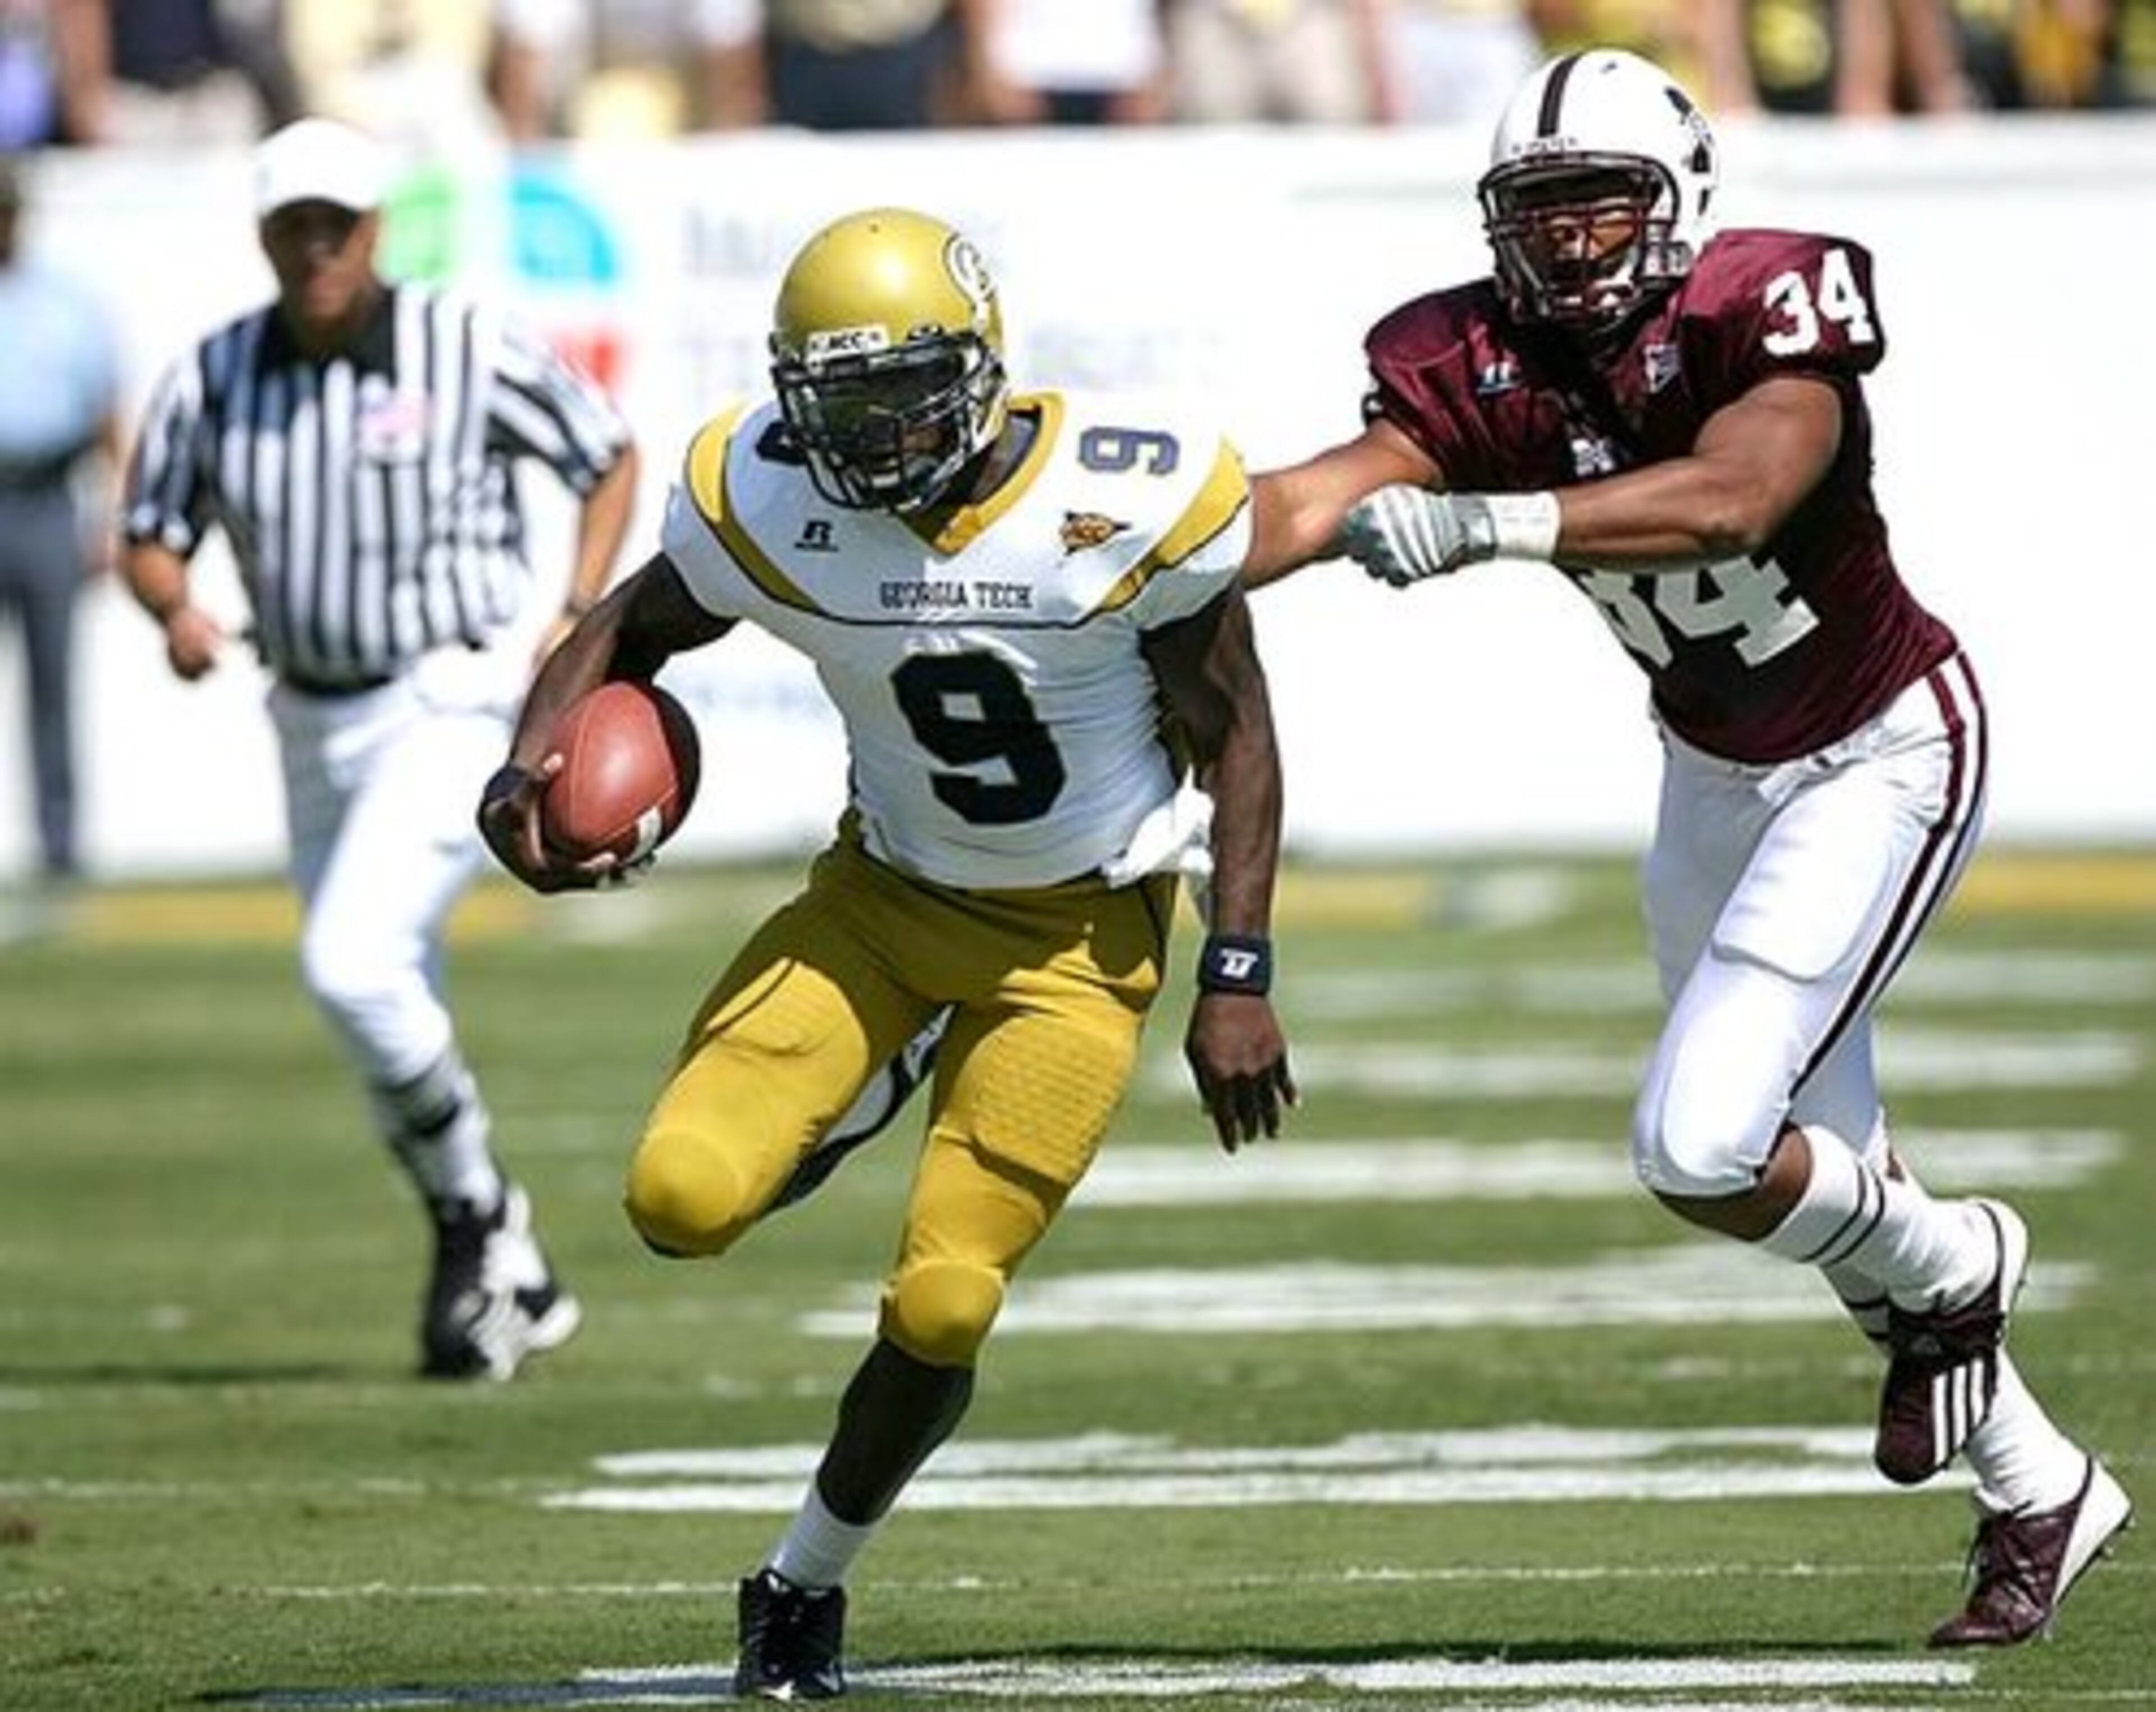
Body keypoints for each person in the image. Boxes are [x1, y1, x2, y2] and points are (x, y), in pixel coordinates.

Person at [1242, 46, 2131, 1649]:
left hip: (1880, 749)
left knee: (1704, 1144)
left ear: (1684, 199)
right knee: (1833, 1187)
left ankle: (1973, 1255)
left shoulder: (1763, 305)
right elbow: (1315, 500)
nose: (1574, 245)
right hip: (1710, 778)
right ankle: (2039, 1481)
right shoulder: (1465, 354)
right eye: (1543, 213)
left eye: (1605, 207)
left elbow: (1739, 495)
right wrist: (1139, 555)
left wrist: (1501, 526)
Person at [477, 205, 1296, 1699]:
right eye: (837, 403)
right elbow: (630, 622)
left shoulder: (1123, 501)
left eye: (901, 396)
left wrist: (1236, 969)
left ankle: (800, 1585)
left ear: (981, 374)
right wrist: (527, 771)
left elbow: (1239, 736)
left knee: (944, 1301)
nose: (869, 439)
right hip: (882, 898)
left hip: (1076, 942)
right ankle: (894, 1049)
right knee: (676, 1198)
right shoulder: (773, 496)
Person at [116, 116, 638, 1381]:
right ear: (264, 237)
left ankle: (480, 1219)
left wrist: (574, 613)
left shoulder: (459, 343)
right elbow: (148, 525)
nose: (314, 251)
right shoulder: (215, 371)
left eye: (334, 225)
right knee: (383, 1009)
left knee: (351, 965)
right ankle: (502, 1271)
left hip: (445, 691)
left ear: (373, 230)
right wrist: (175, 607)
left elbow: (605, 453)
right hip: (304, 708)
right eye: (291, 227)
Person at [0, 151, 120, 886]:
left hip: (46, 494)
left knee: (53, 683)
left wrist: (112, 516)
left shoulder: (67, 301)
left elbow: (107, 415)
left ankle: (60, 845)